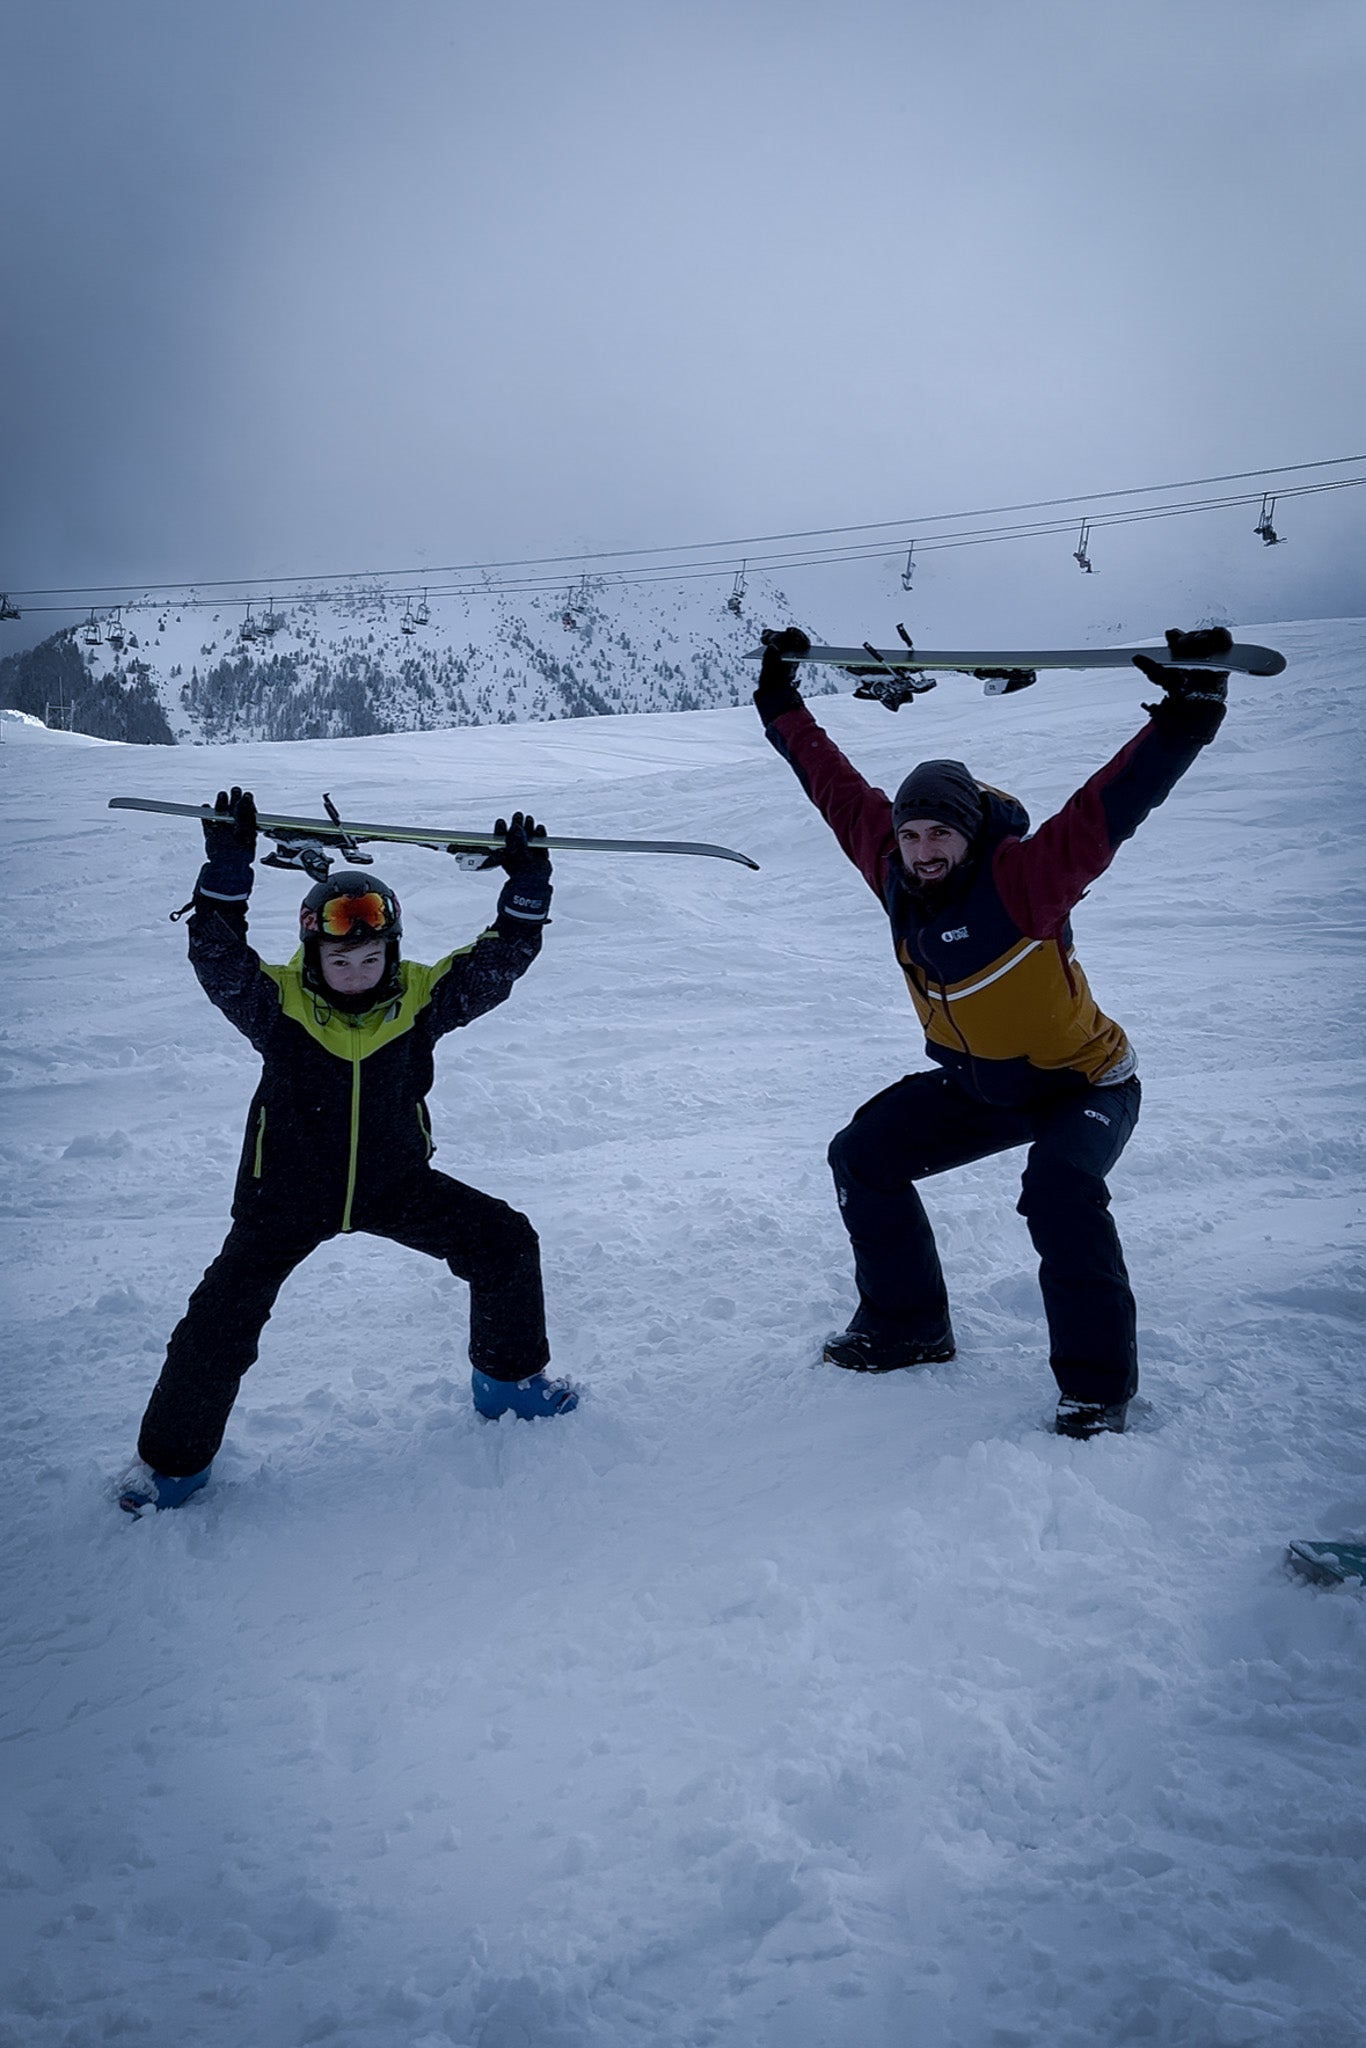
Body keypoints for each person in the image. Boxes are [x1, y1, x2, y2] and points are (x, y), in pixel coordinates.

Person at [753, 624, 1232, 1438]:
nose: (922, 849)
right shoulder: (893, 873)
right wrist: (779, 704)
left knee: (1058, 1192)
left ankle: (1097, 1391)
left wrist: (1187, 717)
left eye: (939, 832)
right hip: (985, 1087)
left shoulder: (1023, 884)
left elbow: (1107, 811)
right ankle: (908, 1327)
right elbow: (836, 790)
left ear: (971, 834)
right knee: (861, 1156)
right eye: (910, 834)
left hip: (1085, 1083)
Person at [119, 791, 575, 1514]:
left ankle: (510, 1384)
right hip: (285, 1198)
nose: (357, 969)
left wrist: (525, 891)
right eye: (340, 958)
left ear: (391, 952)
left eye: (370, 955)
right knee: (218, 1322)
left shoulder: (421, 1000)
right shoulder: (280, 1007)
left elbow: (498, 963)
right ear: (313, 957)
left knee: (504, 1242)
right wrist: (227, 872)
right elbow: (217, 955)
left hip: (395, 1185)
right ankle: (170, 1470)